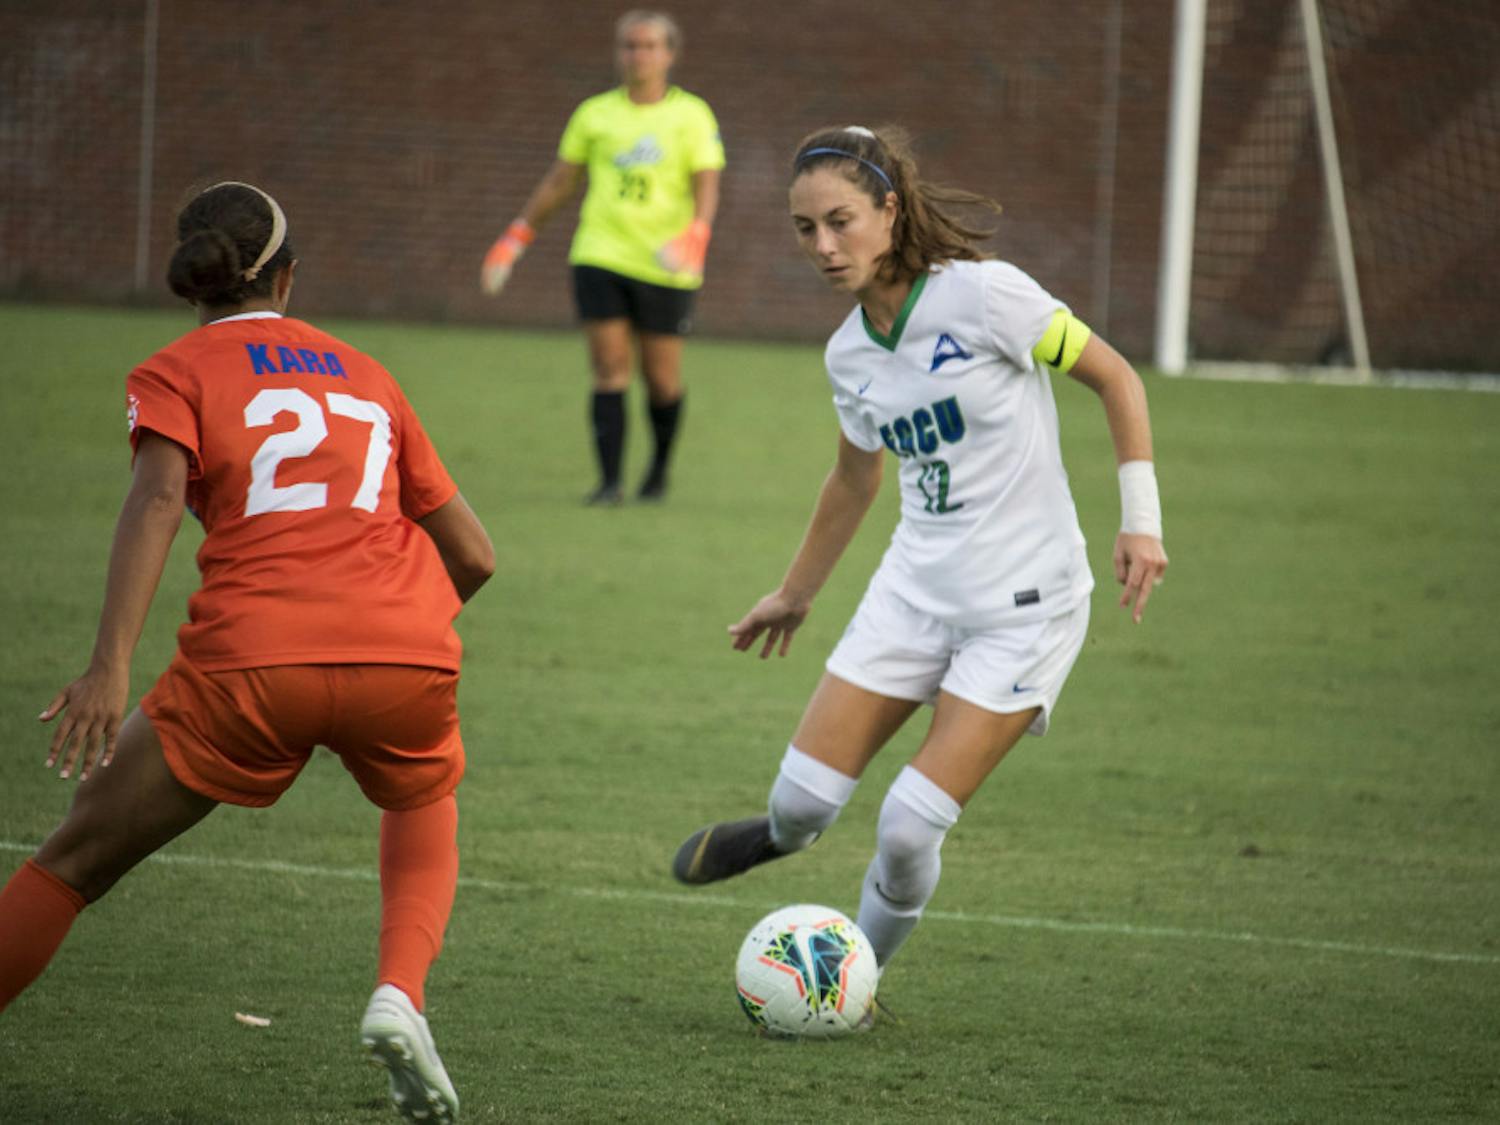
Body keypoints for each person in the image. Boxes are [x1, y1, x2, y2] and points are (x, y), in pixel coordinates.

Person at [0, 181, 494, 1123]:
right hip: (407, 654)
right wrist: (404, 633)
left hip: (249, 664)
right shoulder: (367, 372)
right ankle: (401, 992)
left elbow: (153, 503)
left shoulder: (175, 370)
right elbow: (474, 553)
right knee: (424, 798)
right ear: (290, 278)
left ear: (194, 284)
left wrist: (109, 666)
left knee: (69, 864)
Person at [671, 126, 1170, 992]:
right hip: (912, 595)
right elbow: (852, 480)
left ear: (890, 210)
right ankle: (782, 839)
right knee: (799, 806)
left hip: (1025, 610)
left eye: (841, 221)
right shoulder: (849, 353)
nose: (824, 247)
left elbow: (1116, 378)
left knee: (906, 828)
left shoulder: (985, 300)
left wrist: (1141, 522)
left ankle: (848, 986)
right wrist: (794, 593)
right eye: (805, 230)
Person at [480, 9, 725, 505]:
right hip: (600, 253)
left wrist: (698, 233)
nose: (639, 55)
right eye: (630, 46)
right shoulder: (595, 114)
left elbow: (707, 182)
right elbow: (560, 182)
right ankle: (609, 484)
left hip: (666, 263)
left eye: (650, 46)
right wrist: (515, 238)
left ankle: (657, 470)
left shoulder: (692, 115)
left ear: (670, 55)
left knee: (661, 379)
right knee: (610, 368)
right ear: (619, 54)